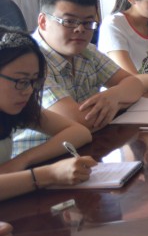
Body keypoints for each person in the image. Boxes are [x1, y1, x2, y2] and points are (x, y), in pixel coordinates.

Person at [12, 0, 144, 152]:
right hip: (41, 157)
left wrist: (114, 96)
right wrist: (119, 101)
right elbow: (77, 121)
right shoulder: (29, 61)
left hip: (86, 146)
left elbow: (135, 84)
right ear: (43, 22)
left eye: (88, 23)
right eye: (69, 21)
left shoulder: (86, 51)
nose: (80, 29)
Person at [0, 26, 95, 201]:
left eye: (33, 81)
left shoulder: (14, 107)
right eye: (21, 81)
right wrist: (49, 174)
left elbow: (80, 132)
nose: (29, 90)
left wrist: (22, 160)